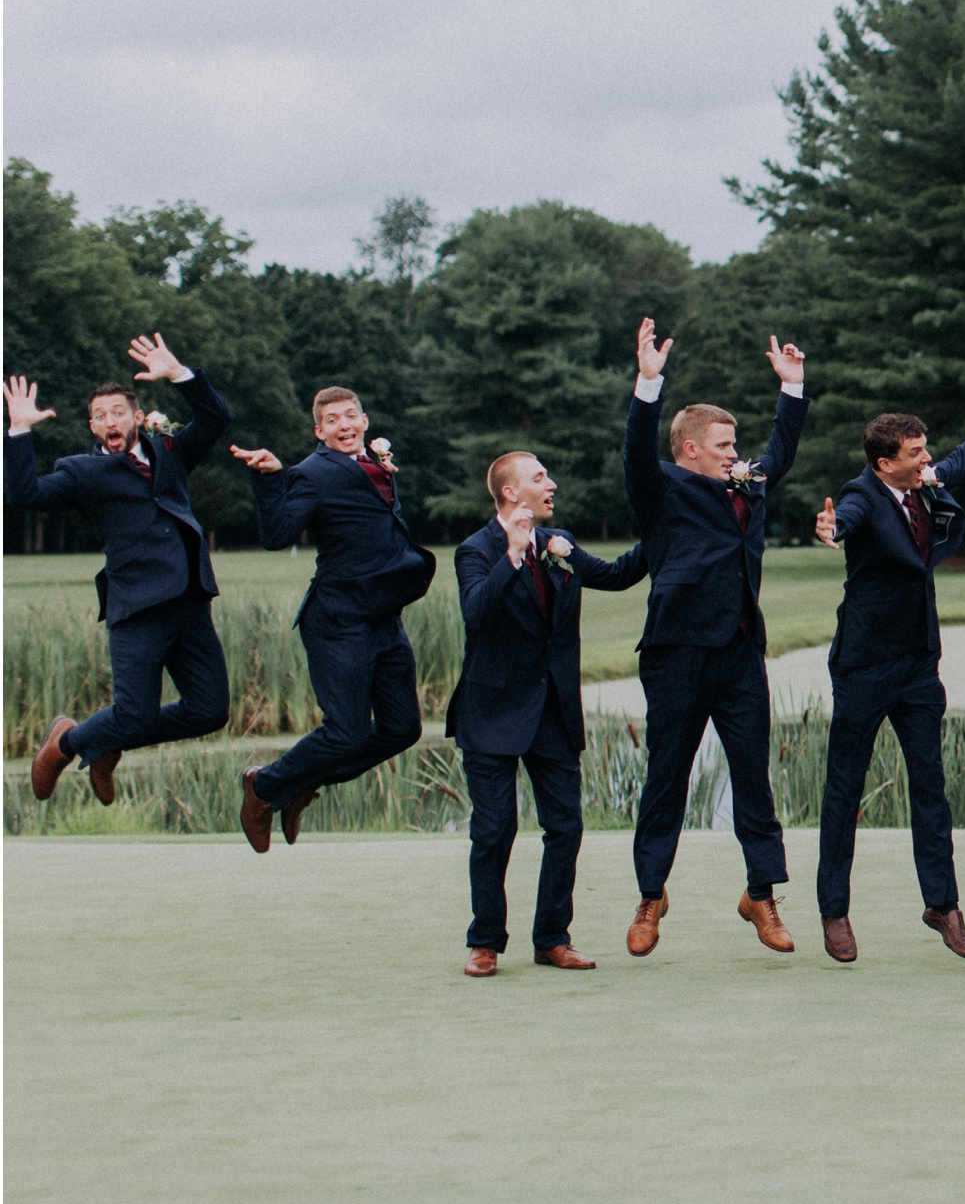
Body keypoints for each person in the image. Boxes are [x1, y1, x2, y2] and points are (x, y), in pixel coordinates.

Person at [809, 365, 965, 965]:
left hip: (918, 667)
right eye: (914, 453)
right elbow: (847, 520)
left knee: (930, 787)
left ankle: (943, 904)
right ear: (885, 463)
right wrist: (830, 528)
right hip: (863, 666)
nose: (926, 458)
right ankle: (834, 910)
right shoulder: (861, 497)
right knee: (843, 789)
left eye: (924, 449)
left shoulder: (921, 484)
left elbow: (961, 459)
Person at [618, 319, 808, 959]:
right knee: (666, 776)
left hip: (739, 651)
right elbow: (635, 454)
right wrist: (649, 383)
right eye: (723, 445)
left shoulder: (746, 487)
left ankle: (762, 893)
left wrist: (792, 389)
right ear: (690, 449)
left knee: (754, 774)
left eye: (736, 444)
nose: (735, 452)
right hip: (675, 652)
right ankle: (651, 894)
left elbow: (778, 456)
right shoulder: (662, 488)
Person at [6, 338, 234, 805]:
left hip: (191, 600)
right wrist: (19, 431)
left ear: (135, 416)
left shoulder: (171, 450)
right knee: (133, 715)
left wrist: (179, 374)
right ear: (93, 425)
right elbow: (23, 494)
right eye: (100, 415)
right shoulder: (83, 473)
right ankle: (65, 743)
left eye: (118, 412)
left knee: (210, 712)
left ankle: (104, 741)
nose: (110, 421)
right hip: (137, 608)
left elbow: (217, 419)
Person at [447, 452, 646, 978]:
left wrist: (668, 523)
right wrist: (512, 556)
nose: (551, 484)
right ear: (511, 493)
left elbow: (620, 575)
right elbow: (475, 613)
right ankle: (485, 940)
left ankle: (552, 939)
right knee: (494, 831)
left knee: (566, 827)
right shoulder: (474, 551)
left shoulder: (563, 544)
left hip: (553, 712)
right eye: (539, 478)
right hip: (490, 711)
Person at [230, 386, 437, 852]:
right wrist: (269, 480)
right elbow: (278, 535)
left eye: (350, 416)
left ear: (364, 421)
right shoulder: (312, 474)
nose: (344, 425)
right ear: (318, 431)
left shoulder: (374, 463)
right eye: (333, 420)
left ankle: (298, 784)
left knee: (403, 728)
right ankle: (264, 787)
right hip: (338, 620)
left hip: (383, 618)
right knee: (346, 733)